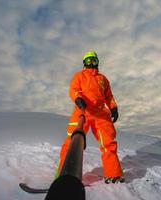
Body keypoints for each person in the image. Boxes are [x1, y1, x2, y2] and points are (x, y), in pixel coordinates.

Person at [56, 51, 124, 184]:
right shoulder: (79, 76)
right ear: (84, 63)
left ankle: (113, 174)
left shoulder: (103, 79)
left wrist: (113, 108)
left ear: (98, 62)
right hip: (82, 111)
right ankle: (64, 174)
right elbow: (73, 89)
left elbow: (109, 96)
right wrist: (77, 98)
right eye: (88, 61)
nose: (91, 63)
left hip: (100, 114)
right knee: (72, 142)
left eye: (93, 60)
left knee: (108, 143)